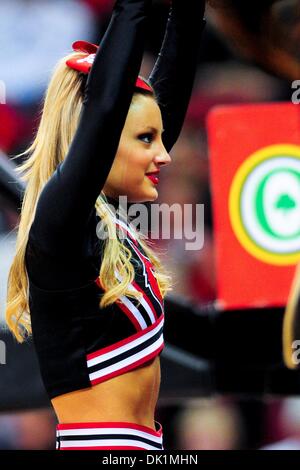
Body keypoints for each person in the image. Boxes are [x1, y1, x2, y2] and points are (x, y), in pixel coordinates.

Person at [5, 0, 206, 450]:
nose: (165, 153)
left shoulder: (104, 220)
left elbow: (153, 103)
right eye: (146, 140)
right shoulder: (59, 220)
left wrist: (191, 10)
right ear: (100, 142)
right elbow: (105, 109)